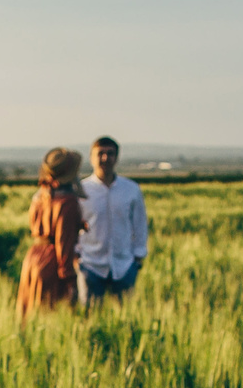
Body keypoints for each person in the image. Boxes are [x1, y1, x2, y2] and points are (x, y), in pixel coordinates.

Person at [75, 135, 149, 305]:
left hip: (124, 266)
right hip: (90, 265)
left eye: (110, 153)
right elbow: (73, 225)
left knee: (126, 319)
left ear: (117, 157)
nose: (105, 158)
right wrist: (76, 258)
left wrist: (137, 259)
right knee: (90, 320)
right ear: (91, 157)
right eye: (100, 153)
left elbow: (140, 224)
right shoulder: (82, 190)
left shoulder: (131, 189)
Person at [16, 147, 84, 318]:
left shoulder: (41, 195)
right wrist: (70, 280)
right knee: (51, 316)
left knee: (32, 313)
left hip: (33, 257)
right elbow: (64, 243)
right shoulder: (67, 201)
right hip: (53, 262)